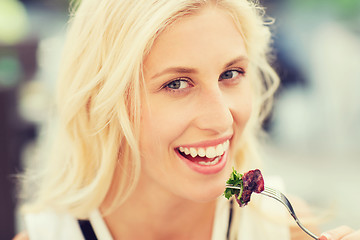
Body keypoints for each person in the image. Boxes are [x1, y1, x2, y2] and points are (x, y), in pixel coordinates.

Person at [14, 0, 360, 239]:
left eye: (231, 73)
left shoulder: (285, 230)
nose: (222, 119)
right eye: (177, 83)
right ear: (105, 101)